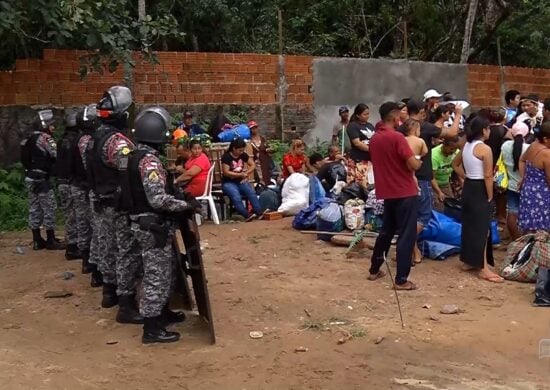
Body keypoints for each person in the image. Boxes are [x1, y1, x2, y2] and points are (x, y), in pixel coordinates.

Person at [121, 106, 195, 344]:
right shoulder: (149, 162)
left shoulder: (132, 156)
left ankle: (162, 313)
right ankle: (151, 329)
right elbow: (157, 199)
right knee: (156, 275)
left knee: (167, 268)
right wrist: (185, 206)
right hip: (152, 226)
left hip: (143, 222)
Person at [87, 86, 143, 323]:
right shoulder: (117, 142)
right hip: (116, 204)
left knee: (106, 246)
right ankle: (126, 305)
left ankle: (109, 293)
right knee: (126, 252)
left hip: (99, 200)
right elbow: (131, 170)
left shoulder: (93, 139)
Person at [368, 102, 423, 290]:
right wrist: (418, 160)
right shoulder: (397, 138)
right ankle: (401, 279)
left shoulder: (375, 138)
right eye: (400, 115)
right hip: (405, 191)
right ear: (393, 117)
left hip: (387, 192)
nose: (402, 119)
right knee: (406, 235)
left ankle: (374, 269)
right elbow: (412, 165)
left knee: (386, 232)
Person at [452, 116, 503, 283]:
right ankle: (483, 267)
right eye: (488, 128)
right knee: (482, 228)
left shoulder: (466, 145)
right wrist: (489, 194)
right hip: (480, 187)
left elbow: (455, 164)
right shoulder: (484, 149)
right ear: (484, 130)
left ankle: (469, 260)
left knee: (470, 225)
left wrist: (466, 177)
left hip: (469, 188)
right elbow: (488, 175)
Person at [413, 102, 463, 264]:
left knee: (412, 216)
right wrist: (458, 113)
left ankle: (412, 246)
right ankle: (409, 245)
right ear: (421, 112)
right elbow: (453, 132)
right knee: (425, 215)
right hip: (422, 178)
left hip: (409, 177)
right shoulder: (425, 128)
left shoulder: (401, 130)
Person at [20, 109, 65, 251]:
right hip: (42, 179)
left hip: (30, 177)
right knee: (49, 208)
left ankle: (37, 240)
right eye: (52, 125)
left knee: (34, 208)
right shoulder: (45, 138)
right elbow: (55, 154)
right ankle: (51, 240)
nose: (53, 127)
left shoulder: (28, 138)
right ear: (45, 125)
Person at [74, 104, 101, 283]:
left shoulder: (81, 139)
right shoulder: (88, 141)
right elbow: (89, 167)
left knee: (89, 227)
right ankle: (94, 268)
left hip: (84, 187)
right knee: (96, 229)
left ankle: (89, 263)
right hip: (88, 189)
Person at [56, 110, 81, 260]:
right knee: (78, 215)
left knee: (69, 215)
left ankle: (73, 244)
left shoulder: (61, 141)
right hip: (72, 183)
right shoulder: (76, 141)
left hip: (62, 182)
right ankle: (75, 247)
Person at [518, 122, 550, 232]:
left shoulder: (533, 145)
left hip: (528, 191)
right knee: (543, 231)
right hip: (542, 194)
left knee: (530, 229)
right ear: (546, 138)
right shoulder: (547, 153)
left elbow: (522, 160)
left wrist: (523, 177)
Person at [221, 138, 264, 221]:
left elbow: (252, 165)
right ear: (234, 148)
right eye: (239, 150)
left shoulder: (243, 155)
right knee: (235, 195)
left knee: (251, 192)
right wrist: (240, 174)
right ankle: (246, 214)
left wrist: (246, 173)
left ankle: (259, 212)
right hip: (228, 182)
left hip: (240, 181)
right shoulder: (226, 157)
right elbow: (226, 172)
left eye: (242, 150)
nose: (241, 152)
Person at [501, 122, 530, 240]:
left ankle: (515, 239)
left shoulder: (505, 145)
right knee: (528, 212)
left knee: (512, 212)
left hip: (511, 184)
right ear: (526, 134)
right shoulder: (528, 148)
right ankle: (527, 239)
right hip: (526, 185)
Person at [346, 103, 375, 189]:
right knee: (362, 182)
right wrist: (371, 149)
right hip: (359, 159)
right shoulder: (353, 126)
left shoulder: (370, 125)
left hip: (371, 159)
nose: (367, 116)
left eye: (368, 114)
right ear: (358, 115)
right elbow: (357, 143)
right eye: (365, 114)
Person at [431, 137, 460, 211]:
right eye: (451, 149)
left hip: (445, 183)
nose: (453, 151)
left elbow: (458, 170)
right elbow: (431, 177)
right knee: (438, 207)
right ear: (444, 145)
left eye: (455, 149)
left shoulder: (456, 153)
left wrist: (463, 182)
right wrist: (439, 192)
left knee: (451, 206)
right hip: (433, 185)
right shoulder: (434, 156)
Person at [403, 118, 428, 192]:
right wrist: (419, 156)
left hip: (403, 162)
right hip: (413, 161)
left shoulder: (403, 139)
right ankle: (416, 188)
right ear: (416, 129)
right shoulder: (420, 141)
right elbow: (425, 151)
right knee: (412, 175)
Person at [249, 120, 273, 185]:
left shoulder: (262, 138)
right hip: (255, 162)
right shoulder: (249, 140)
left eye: (255, 128)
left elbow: (267, 147)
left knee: (266, 176)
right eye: (252, 128)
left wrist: (269, 150)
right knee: (257, 178)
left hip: (264, 161)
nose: (254, 130)